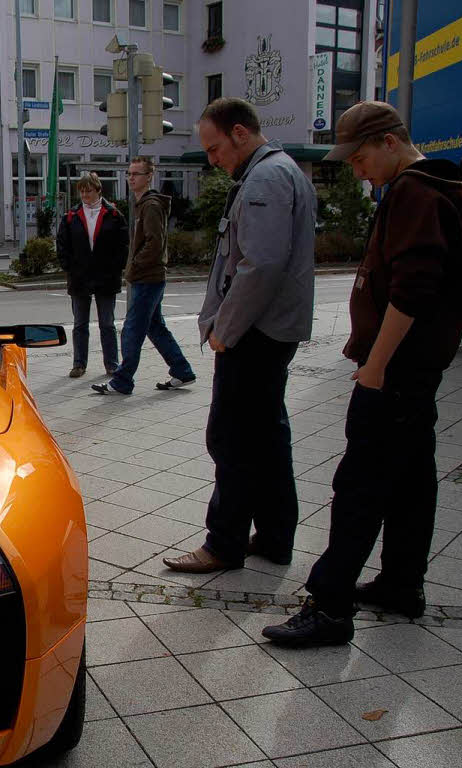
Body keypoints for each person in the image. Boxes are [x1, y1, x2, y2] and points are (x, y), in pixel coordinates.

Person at [264, 101, 462, 646]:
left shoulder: (412, 192)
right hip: (418, 371)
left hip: (397, 371)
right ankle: (403, 585)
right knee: (410, 482)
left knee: (359, 485)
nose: (357, 171)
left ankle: (330, 607)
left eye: (359, 159)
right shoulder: (441, 187)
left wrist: (376, 365)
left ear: (388, 142)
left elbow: (413, 288)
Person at [163, 97, 316, 574]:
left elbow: (260, 264)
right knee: (267, 436)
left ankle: (223, 543)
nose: (212, 160)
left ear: (240, 134)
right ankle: (274, 536)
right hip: (268, 331)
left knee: (231, 439)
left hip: (255, 333)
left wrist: (225, 332)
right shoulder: (281, 171)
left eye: (214, 149)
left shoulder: (266, 178)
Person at [92, 157, 196, 395]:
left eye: (136, 174)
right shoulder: (144, 204)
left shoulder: (150, 205)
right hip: (149, 275)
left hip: (147, 277)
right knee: (154, 327)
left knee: (132, 329)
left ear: (149, 176)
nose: (131, 178)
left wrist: (135, 266)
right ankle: (182, 370)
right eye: (129, 173)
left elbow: (154, 244)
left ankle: (122, 381)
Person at [56, 172, 129, 378]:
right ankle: (79, 364)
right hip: (79, 278)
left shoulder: (113, 215)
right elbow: (62, 245)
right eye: (81, 190)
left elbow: (122, 245)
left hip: (106, 277)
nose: (85, 194)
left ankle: (112, 364)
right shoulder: (70, 216)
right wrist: (69, 267)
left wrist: (115, 268)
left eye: (88, 190)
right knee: (80, 324)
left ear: (98, 190)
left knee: (107, 323)